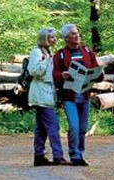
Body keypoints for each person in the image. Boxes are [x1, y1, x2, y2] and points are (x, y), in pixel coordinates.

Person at [53, 24, 103, 166]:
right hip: (70, 97)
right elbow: (54, 74)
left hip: (85, 95)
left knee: (82, 128)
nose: (77, 36)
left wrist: (99, 75)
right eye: (74, 34)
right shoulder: (60, 55)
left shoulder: (87, 51)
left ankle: (80, 153)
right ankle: (74, 155)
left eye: (78, 33)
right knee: (74, 127)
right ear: (66, 38)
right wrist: (62, 75)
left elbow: (95, 68)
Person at [28, 28, 69, 166]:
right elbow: (33, 71)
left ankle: (39, 156)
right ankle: (58, 156)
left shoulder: (48, 53)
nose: (54, 39)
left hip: (47, 91)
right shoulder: (37, 52)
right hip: (40, 91)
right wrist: (46, 61)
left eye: (54, 37)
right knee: (53, 125)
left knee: (41, 127)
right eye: (51, 37)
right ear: (44, 38)